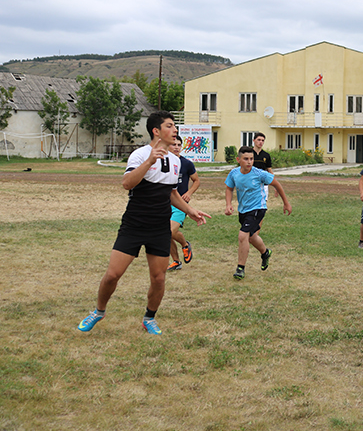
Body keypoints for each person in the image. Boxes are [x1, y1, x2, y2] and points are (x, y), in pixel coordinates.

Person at [77, 111, 211, 335]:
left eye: (175, 126)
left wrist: (190, 210)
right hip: (134, 224)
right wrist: (150, 161)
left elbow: (171, 193)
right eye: (170, 126)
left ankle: (149, 318)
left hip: (160, 226)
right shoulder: (139, 155)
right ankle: (98, 312)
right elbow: (127, 183)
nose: (175, 130)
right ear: (156, 131)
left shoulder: (176, 161)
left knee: (159, 278)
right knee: (112, 275)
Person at [225, 146, 292, 280]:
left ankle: (240, 268)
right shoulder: (234, 173)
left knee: (242, 235)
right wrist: (228, 204)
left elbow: (277, 184)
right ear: (238, 160)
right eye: (246, 159)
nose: (249, 162)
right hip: (243, 210)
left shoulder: (259, 173)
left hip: (258, 208)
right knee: (251, 236)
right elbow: (229, 188)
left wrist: (286, 203)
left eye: (251, 159)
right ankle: (265, 252)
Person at [167, 135, 200, 271]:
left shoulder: (186, 163)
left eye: (179, 145)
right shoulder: (163, 162)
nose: (176, 147)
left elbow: (196, 181)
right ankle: (176, 261)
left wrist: (189, 193)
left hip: (180, 205)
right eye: (173, 144)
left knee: (169, 231)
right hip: (164, 204)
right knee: (166, 234)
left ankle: (185, 245)